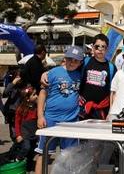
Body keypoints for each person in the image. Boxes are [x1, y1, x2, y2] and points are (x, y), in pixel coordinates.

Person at [35, 46, 84, 174]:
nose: (72, 62)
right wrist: (40, 116)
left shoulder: (81, 74)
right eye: (69, 59)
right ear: (65, 58)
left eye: (76, 60)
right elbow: (42, 94)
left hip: (71, 121)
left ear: (80, 62)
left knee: (69, 156)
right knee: (43, 154)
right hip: (50, 120)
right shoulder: (53, 73)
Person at [80, 34, 117, 119]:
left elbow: (114, 91)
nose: (100, 49)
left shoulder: (111, 67)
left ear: (107, 49)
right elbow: (70, 69)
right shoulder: (84, 62)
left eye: (103, 47)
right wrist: (46, 73)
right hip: (83, 109)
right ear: (93, 47)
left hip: (103, 110)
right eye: (97, 46)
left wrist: (111, 111)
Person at [12, 86, 38, 166]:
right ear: (27, 98)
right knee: (26, 147)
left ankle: (28, 164)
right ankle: (17, 159)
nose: (36, 96)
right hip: (25, 134)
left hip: (33, 133)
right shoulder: (20, 109)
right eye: (34, 95)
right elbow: (17, 123)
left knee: (32, 150)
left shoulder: (36, 107)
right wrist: (18, 135)